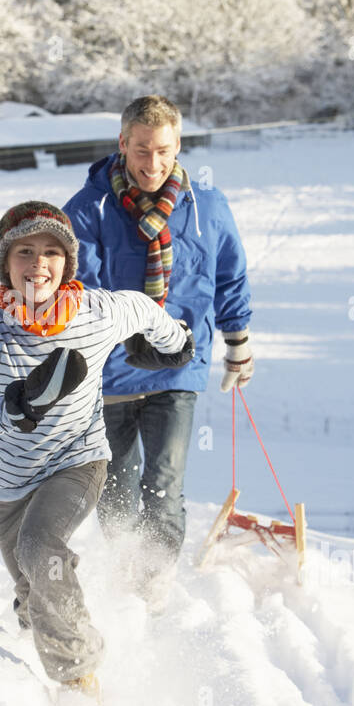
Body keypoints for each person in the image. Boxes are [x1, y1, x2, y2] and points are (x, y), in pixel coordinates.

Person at [0, 201, 193, 706]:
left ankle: (79, 675)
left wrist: (176, 345)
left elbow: (146, 310)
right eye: (25, 252)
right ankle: (39, 626)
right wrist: (13, 406)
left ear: (68, 263)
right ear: (6, 261)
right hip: (8, 482)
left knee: (42, 548)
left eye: (52, 253)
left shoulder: (97, 311)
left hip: (76, 461)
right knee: (31, 590)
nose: (39, 264)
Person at [62, 95, 253, 608]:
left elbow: (228, 275)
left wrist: (237, 342)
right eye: (141, 149)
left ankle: (156, 584)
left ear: (178, 146)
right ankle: (125, 574)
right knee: (117, 487)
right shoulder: (88, 209)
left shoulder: (207, 206)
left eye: (163, 150)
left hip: (179, 369)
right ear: (123, 144)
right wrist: (129, 337)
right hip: (108, 375)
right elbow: (80, 290)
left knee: (165, 482)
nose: (152, 163)